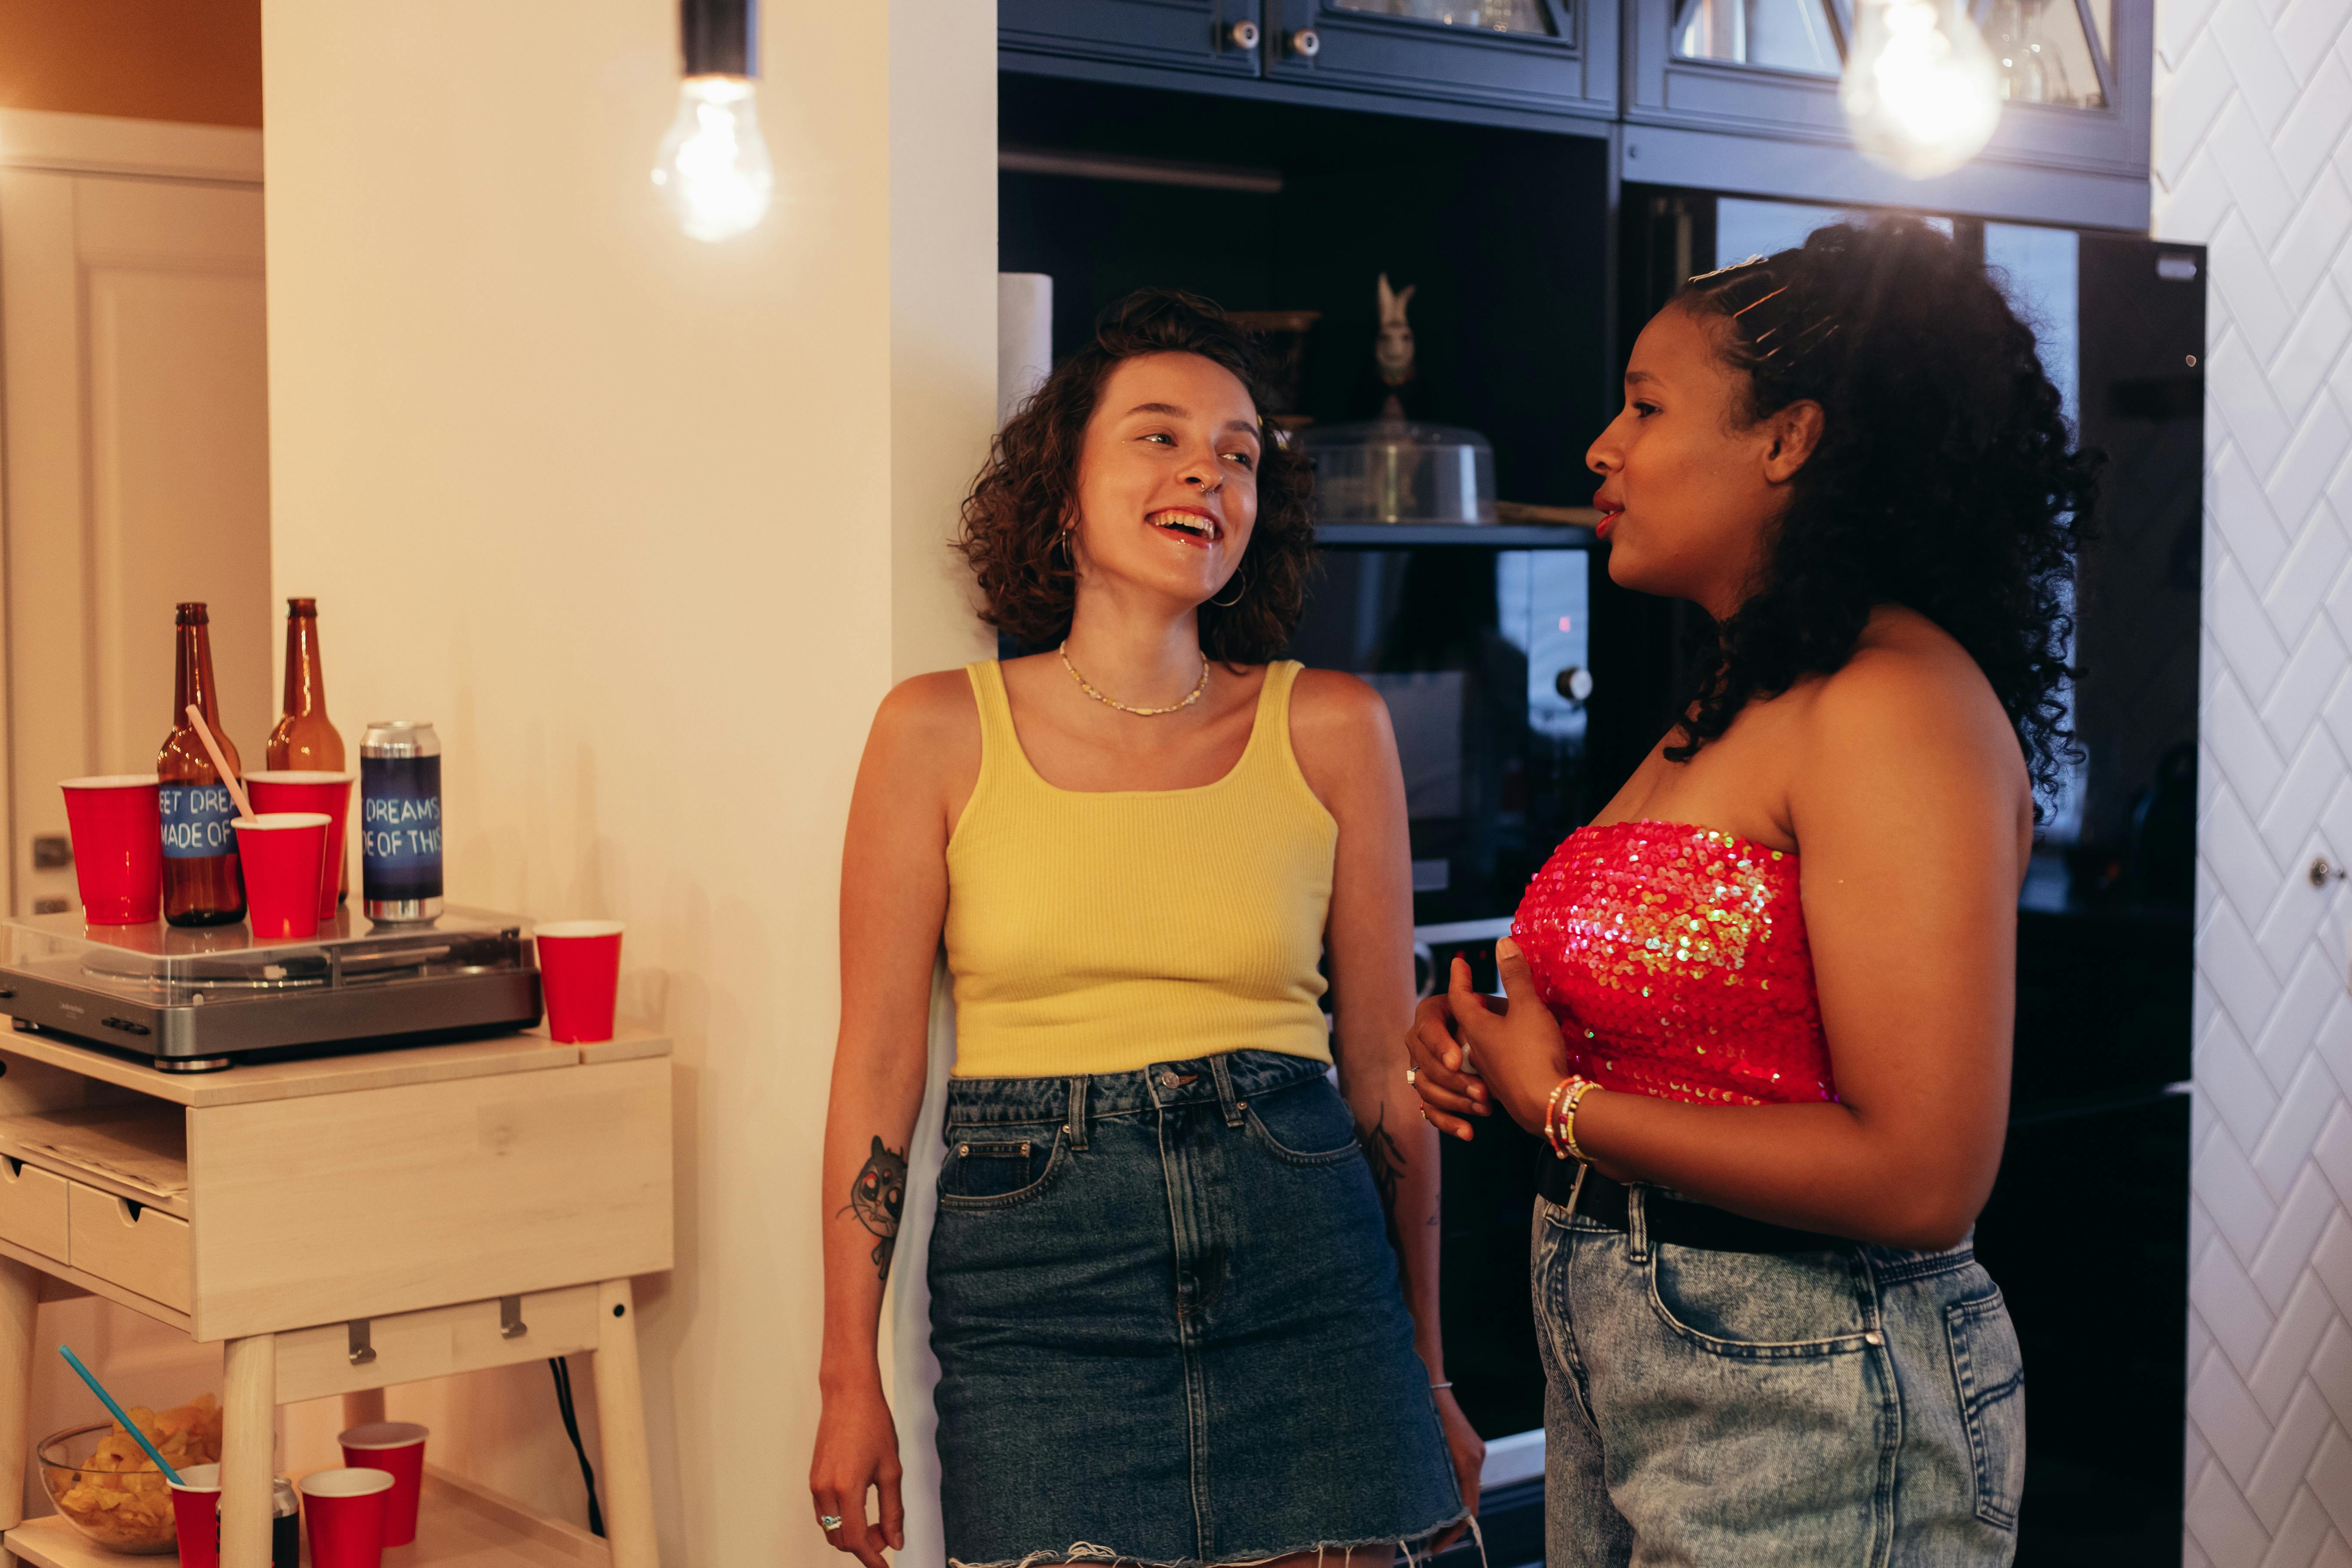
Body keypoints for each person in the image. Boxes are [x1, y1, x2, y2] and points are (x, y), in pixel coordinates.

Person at [1408, 218, 2086, 1566]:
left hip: (1817, 1382)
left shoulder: (1895, 704)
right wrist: (1488, 1046)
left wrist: (1563, 1103)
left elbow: (1924, 1175)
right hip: (1636, 1355)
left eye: (1647, 406)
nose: (1603, 447)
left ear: (1788, 440)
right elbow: (1667, 1012)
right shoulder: (1740, 693)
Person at [812, 288, 1481, 1568]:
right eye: (1160, 437)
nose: (1205, 473)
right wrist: (851, 1378)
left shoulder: (1335, 727)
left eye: (1239, 454)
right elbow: (879, 1065)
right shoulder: (934, 730)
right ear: (1063, 489)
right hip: (1041, 1298)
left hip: (1312, 1283)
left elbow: (1387, 1076)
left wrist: (1425, 1367)